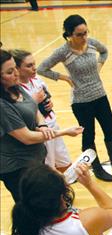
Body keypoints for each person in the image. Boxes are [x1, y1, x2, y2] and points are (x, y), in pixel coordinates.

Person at [38, 14, 112, 182]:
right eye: (79, 34)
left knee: (110, 129)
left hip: (100, 95)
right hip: (81, 101)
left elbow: (105, 51)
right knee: (89, 136)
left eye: (85, 32)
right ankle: (97, 168)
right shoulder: (63, 51)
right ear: (69, 35)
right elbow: (42, 68)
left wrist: (99, 65)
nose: (84, 37)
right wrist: (64, 77)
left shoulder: (92, 43)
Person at [0, 49, 82, 202]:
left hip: (34, 157)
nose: (16, 74)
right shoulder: (2, 105)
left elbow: (33, 106)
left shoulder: (14, 87)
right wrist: (64, 132)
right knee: (31, 206)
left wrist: (43, 125)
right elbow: (27, 138)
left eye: (15, 69)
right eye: (10, 72)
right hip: (17, 167)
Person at [11, 49, 72, 172]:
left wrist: (49, 103)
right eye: (29, 66)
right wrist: (34, 101)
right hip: (40, 132)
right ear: (17, 69)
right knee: (49, 167)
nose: (34, 68)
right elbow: (20, 113)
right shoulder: (15, 90)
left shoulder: (37, 79)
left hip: (53, 124)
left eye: (34, 64)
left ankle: (65, 186)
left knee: (65, 162)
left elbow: (46, 97)